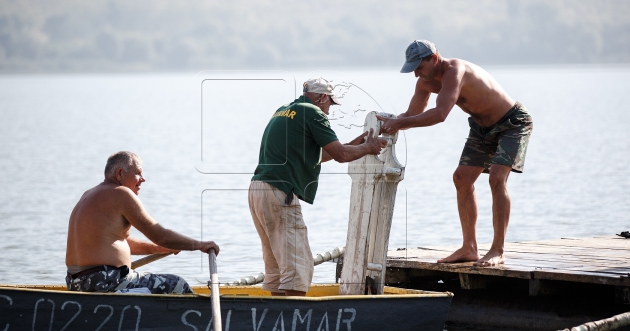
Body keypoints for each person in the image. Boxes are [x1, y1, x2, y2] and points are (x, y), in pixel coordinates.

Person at [377, 40, 533, 267]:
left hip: (512, 123)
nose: (416, 75)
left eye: (419, 68)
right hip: (481, 127)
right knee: (461, 178)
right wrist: (388, 125)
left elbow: (440, 114)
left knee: (497, 178)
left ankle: (497, 250)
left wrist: (399, 123)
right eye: (413, 70)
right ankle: (469, 247)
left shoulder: (455, 71)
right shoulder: (424, 83)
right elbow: (412, 113)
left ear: (434, 58)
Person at [249, 78, 387, 296]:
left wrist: (357, 145)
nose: (329, 111)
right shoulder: (313, 113)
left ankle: (279, 321)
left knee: (277, 269)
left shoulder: (285, 111)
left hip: (258, 190)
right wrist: (369, 147)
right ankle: (295, 324)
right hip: (279, 192)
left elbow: (320, 155)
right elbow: (341, 156)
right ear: (322, 97)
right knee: (298, 268)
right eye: (330, 104)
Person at [65, 151, 220, 293]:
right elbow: (161, 235)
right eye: (138, 173)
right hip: (105, 280)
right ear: (120, 173)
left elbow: (117, 242)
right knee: (177, 285)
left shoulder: (89, 194)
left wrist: (159, 249)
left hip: (76, 283)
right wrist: (200, 245)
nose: (143, 179)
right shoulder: (121, 193)